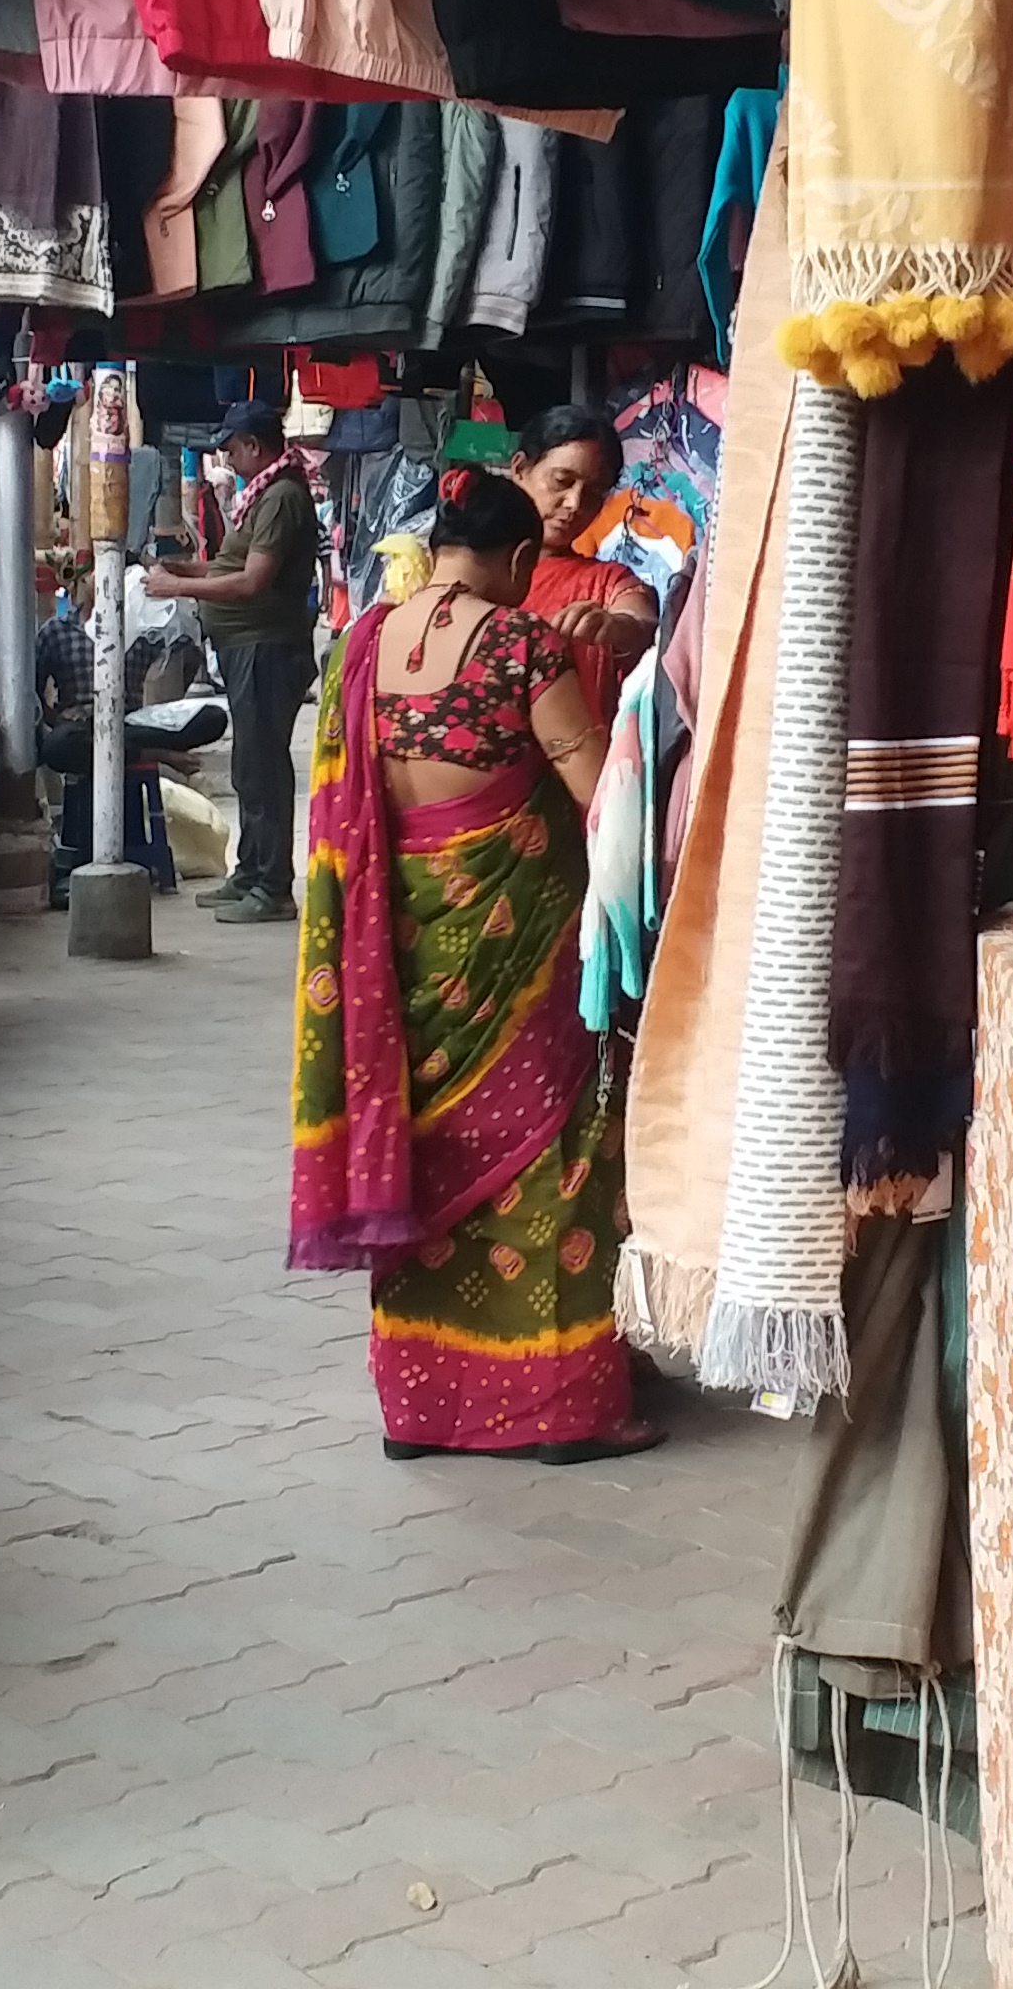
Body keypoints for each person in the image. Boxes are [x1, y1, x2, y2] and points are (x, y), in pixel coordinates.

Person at [287, 470, 663, 1462]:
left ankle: (423, 1411)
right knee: (550, 1156)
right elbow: (600, 799)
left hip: (392, 957)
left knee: (417, 1160)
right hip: (516, 956)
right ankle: (557, 1409)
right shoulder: (518, 645)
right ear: (520, 561)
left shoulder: (360, 648)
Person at [146, 400, 321, 923]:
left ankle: (271, 885)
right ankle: (251, 870)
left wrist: (180, 584)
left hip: (267, 649)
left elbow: (252, 581)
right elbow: (233, 564)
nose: (228, 457)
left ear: (253, 446)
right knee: (250, 767)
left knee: (264, 769)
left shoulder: (283, 497)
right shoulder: (265, 494)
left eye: (232, 448)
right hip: (249, 647)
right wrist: (190, 568)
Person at [508, 402, 660, 715]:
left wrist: (614, 627)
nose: (574, 504)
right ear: (520, 468)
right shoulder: (467, 563)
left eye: (592, 494)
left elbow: (641, 623)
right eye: (561, 481)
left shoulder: (608, 581)